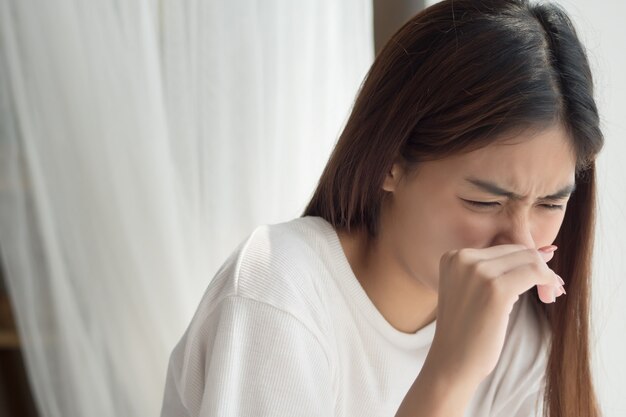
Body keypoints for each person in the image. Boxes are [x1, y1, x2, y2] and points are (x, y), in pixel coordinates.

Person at [160, 0, 604, 415]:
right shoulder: (278, 289)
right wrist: (450, 375)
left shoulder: (520, 337)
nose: (521, 242)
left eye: (550, 203)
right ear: (389, 163)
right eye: (483, 201)